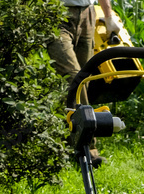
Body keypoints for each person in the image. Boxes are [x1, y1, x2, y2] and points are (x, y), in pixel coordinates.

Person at [47, 1, 124, 166]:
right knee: (74, 77)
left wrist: (108, 14)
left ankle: (68, 145)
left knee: (84, 80)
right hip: (57, 13)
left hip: (87, 14)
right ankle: (88, 149)